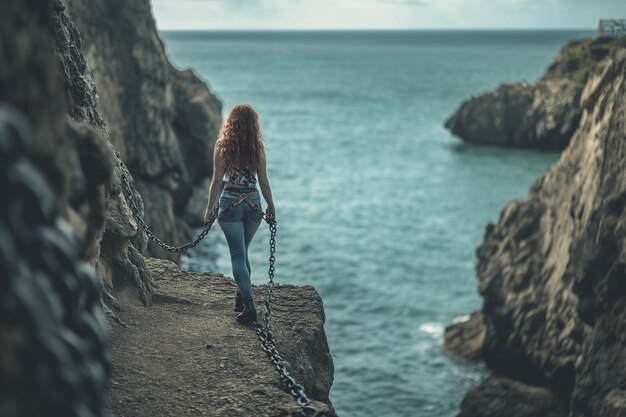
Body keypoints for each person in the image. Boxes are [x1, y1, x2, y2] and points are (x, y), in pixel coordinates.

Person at [204, 104, 276, 325]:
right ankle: (240, 299)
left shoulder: (222, 146)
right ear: (253, 124)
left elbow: (217, 181)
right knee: (243, 254)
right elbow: (263, 181)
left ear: (231, 122)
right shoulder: (258, 147)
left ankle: (249, 307)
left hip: (230, 205)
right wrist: (271, 206)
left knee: (237, 256)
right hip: (253, 205)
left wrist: (209, 209)